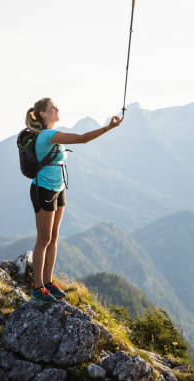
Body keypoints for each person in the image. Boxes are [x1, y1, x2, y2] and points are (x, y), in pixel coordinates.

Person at [24, 97, 123, 302]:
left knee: (53, 237)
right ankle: (38, 288)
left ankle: (48, 282)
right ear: (42, 114)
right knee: (43, 239)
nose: (57, 109)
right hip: (43, 189)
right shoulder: (47, 135)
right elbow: (82, 138)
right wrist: (109, 127)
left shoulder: (53, 134)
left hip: (58, 189)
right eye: (52, 107)